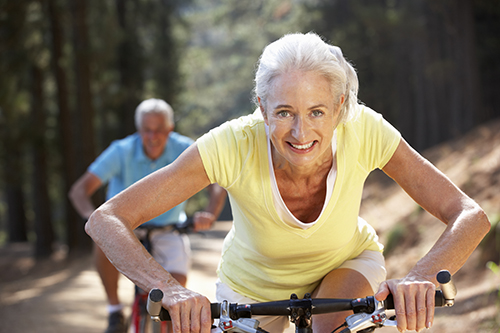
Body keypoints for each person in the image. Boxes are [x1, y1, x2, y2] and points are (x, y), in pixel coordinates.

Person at [85, 33, 490, 333]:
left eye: (317, 112)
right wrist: (169, 289)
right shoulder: (230, 145)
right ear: (261, 108)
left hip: (344, 265)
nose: (300, 132)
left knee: (331, 329)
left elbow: (469, 214)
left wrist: (422, 275)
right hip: (249, 288)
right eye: (283, 112)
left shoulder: (364, 130)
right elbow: (107, 219)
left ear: (339, 108)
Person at [69, 98, 227, 333]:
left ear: (170, 129)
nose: (153, 137)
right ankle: (114, 310)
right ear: (138, 130)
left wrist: (210, 214)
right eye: (147, 130)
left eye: (159, 130)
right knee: (103, 238)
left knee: (175, 300)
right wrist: (90, 217)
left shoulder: (185, 148)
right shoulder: (121, 151)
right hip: (126, 229)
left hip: (170, 229)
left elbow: (217, 185)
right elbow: (79, 191)